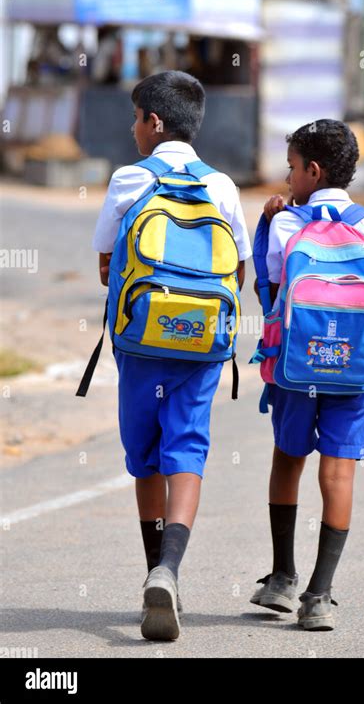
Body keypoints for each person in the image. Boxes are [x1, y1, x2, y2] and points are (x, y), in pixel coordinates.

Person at [92, 71, 252, 641]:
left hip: (141, 341)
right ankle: (170, 570)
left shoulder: (129, 179)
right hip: (201, 342)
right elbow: (236, 270)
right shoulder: (225, 187)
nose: (133, 129)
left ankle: (155, 575)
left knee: (146, 457)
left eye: (136, 118)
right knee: (187, 447)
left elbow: (109, 267)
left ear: (154, 123)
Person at [251, 119, 364, 631]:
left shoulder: (285, 224)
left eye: (292, 168)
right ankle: (319, 596)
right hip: (355, 371)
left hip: (297, 370)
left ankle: (281, 577)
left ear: (313, 171)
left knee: (287, 460)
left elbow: (271, 291)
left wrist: (269, 219)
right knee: (338, 474)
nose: (288, 178)